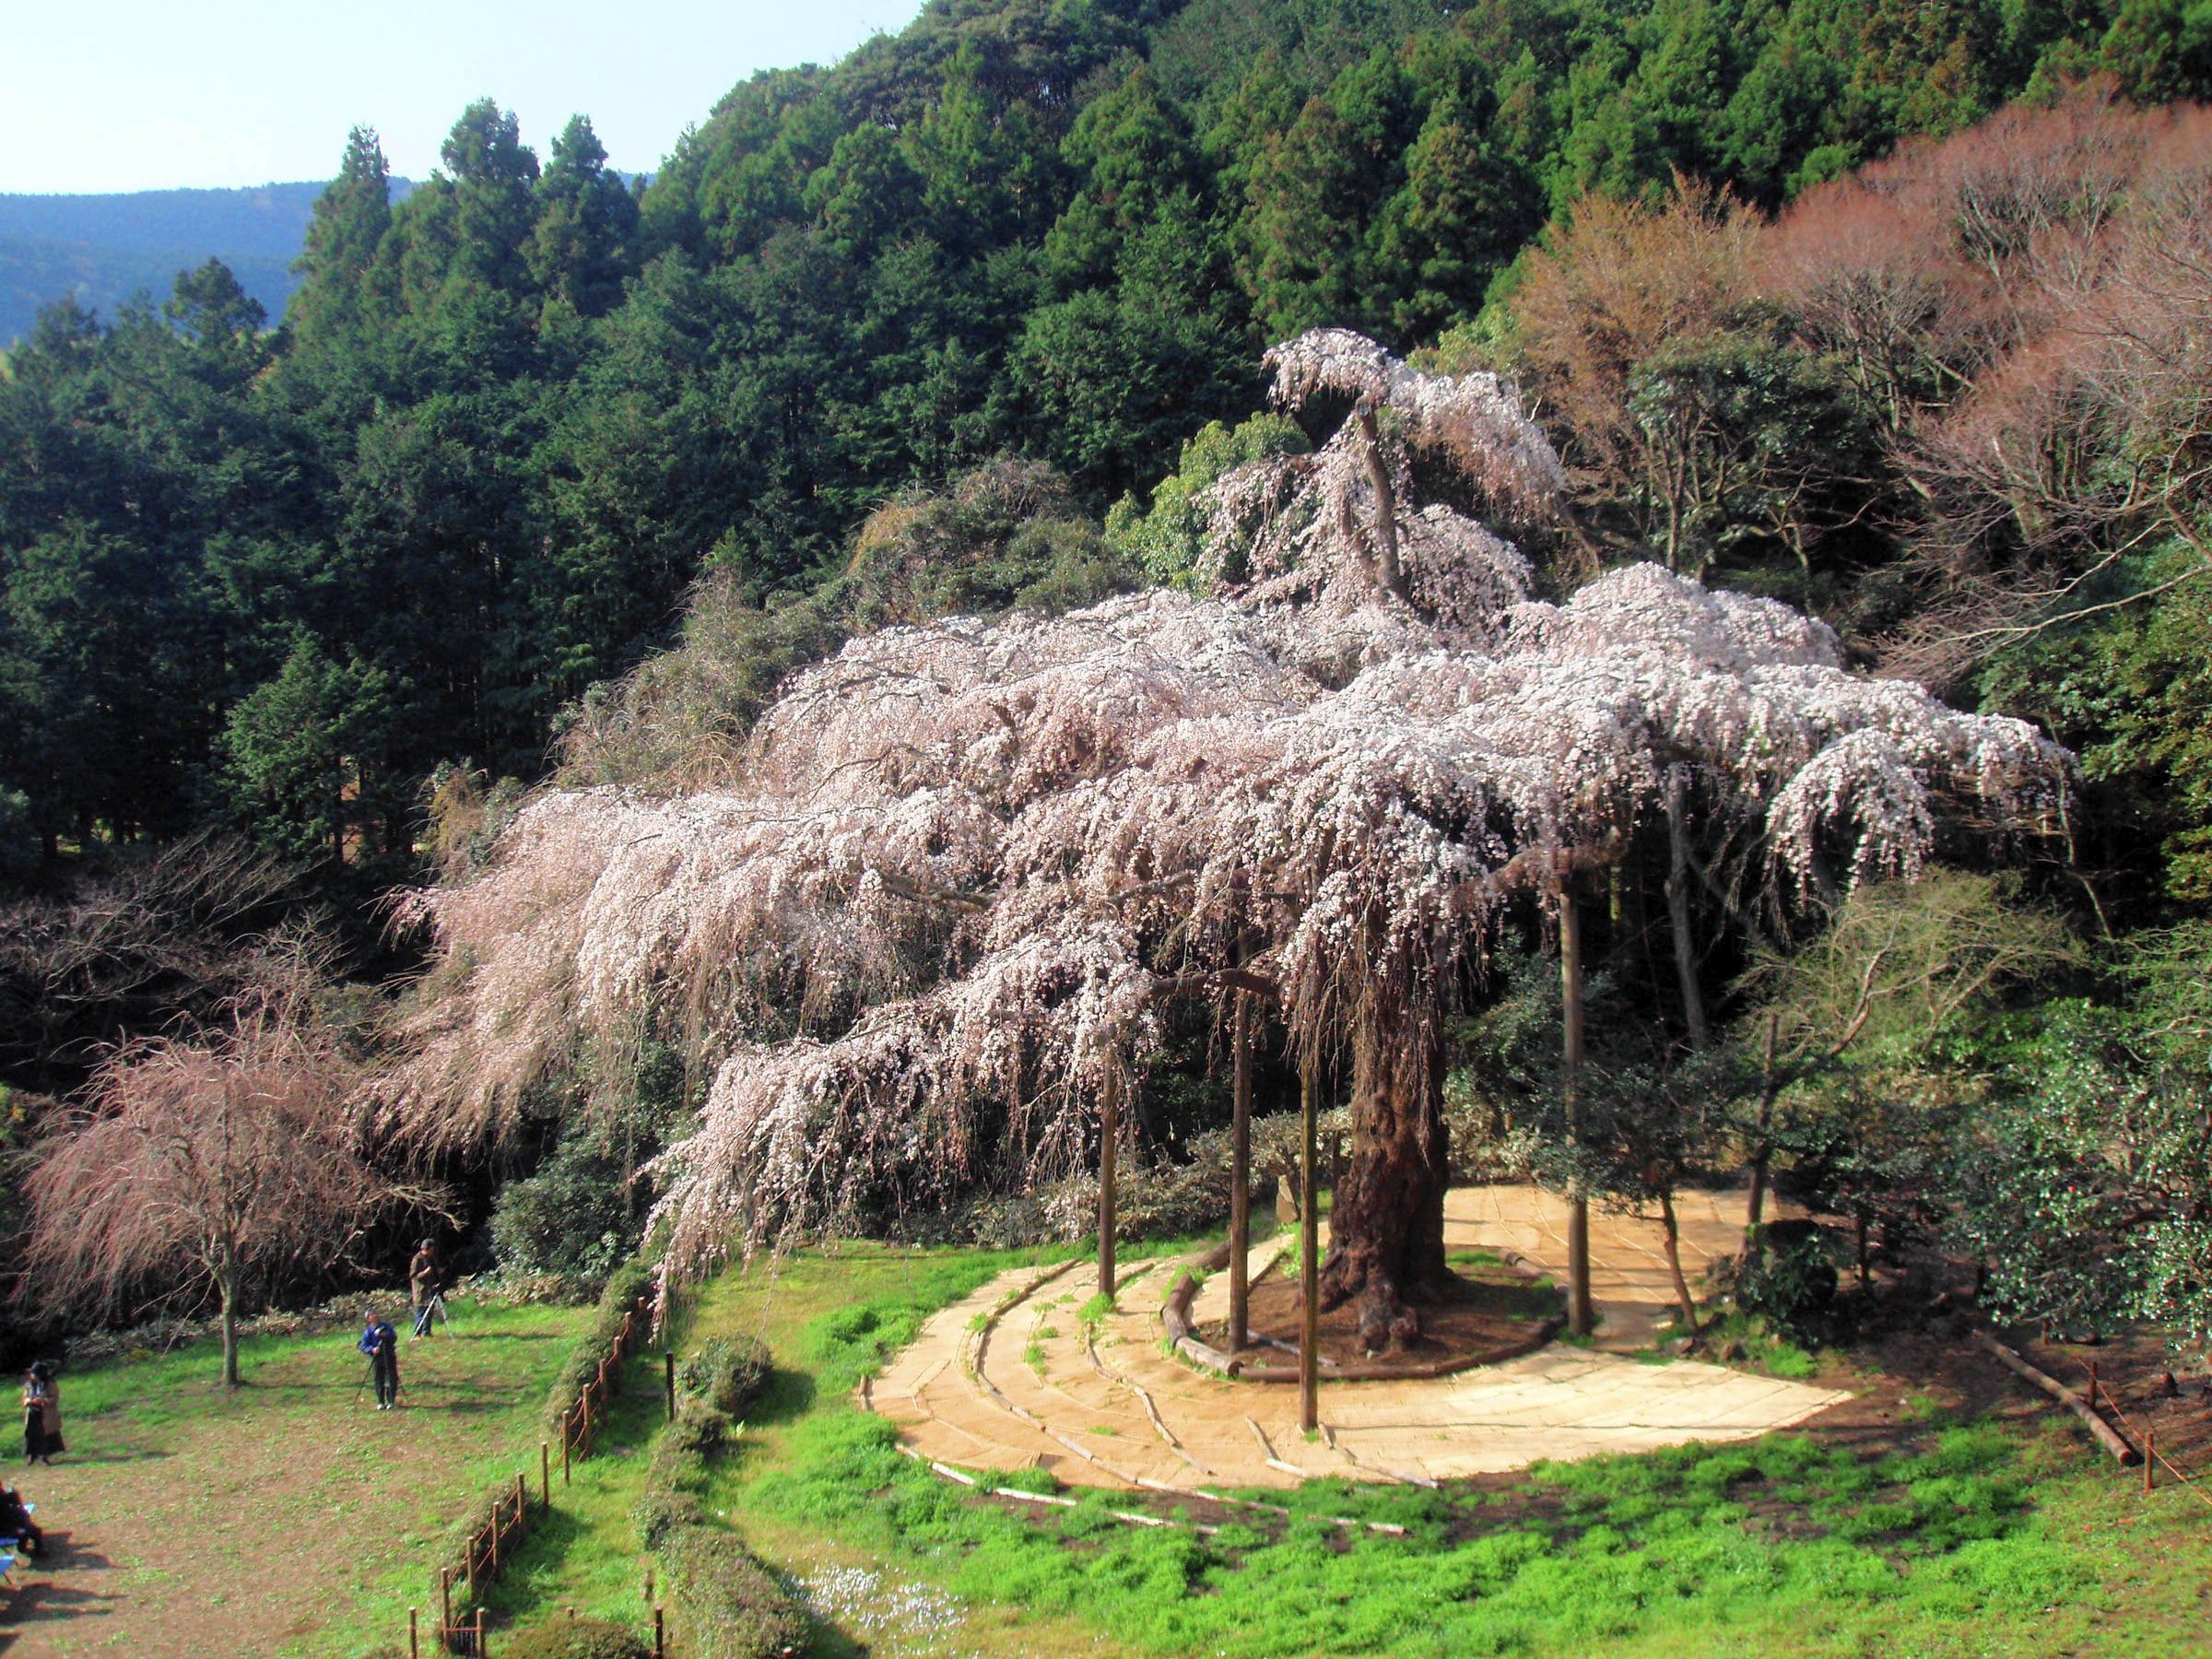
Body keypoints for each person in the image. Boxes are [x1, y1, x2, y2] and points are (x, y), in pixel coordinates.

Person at [358, 1307, 400, 1409]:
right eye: (372, 1315)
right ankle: (380, 1401)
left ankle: (391, 1401)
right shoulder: (368, 1332)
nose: (375, 1316)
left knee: (391, 1377)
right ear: (368, 1319)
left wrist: (387, 1336)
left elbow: (394, 1338)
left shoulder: (386, 1326)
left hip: (389, 1354)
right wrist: (372, 1349)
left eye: (375, 1313)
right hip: (377, 1357)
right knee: (379, 1378)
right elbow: (363, 1346)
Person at [19, 1363, 60, 1465]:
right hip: (32, 1413)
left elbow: (54, 1398)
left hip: (45, 1413)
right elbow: (24, 1398)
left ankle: (44, 1457)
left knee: (44, 1435)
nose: (31, 1375)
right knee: (31, 1435)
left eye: (33, 1373)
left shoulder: (50, 1384)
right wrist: (28, 1401)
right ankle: (32, 1455)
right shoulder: (29, 1385)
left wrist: (44, 1400)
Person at [409, 1238, 444, 1338]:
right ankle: (417, 1334)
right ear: (426, 1249)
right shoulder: (417, 1259)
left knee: (429, 1312)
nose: (432, 1252)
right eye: (431, 1250)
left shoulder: (431, 1258)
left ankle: (426, 1332)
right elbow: (413, 1276)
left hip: (430, 1289)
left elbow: (434, 1269)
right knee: (420, 1312)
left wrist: (437, 1271)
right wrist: (424, 1273)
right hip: (420, 1290)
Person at [0, 1480, 41, 1555]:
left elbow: (17, 1506)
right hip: (4, 1528)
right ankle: (22, 1549)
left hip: (13, 1521)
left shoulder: (4, 1494)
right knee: (24, 1532)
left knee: (34, 1530)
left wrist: (14, 1495)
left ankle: (37, 1550)